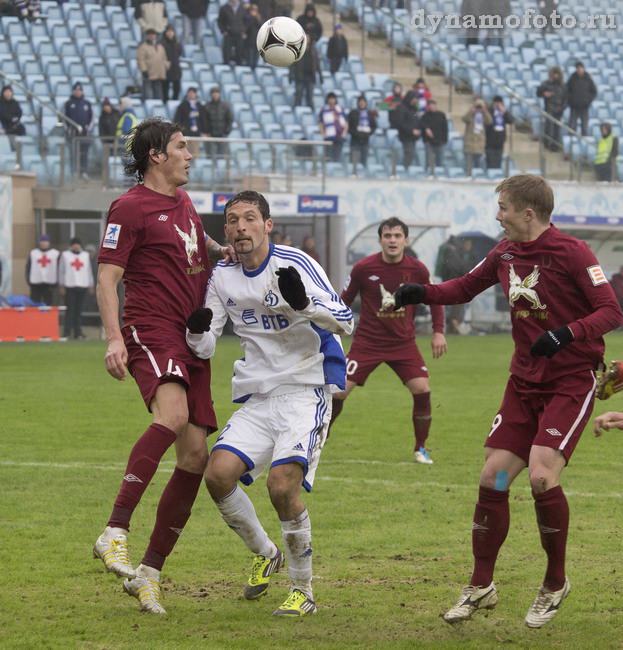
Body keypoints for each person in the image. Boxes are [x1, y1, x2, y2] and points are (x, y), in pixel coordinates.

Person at [393, 174, 623, 628]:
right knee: (494, 478)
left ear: (528, 213)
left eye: (503, 208)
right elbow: (462, 288)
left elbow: (612, 311)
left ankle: (555, 583)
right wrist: (423, 293)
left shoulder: (574, 253)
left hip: (570, 381)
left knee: (540, 477)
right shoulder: (504, 251)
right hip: (523, 383)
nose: (497, 216)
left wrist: (567, 333)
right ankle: (481, 585)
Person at [185, 190, 353, 616]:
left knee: (282, 487)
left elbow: (346, 321)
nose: (240, 227)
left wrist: (303, 303)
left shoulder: (293, 263)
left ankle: (303, 591)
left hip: (306, 389)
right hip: (259, 395)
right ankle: (266, 551)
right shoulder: (222, 276)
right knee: (217, 476)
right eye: (232, 220)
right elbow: (205, 347)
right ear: (226, 230)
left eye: (249, 218)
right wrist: (196, 330)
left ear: (267, 225)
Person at [93, 117, 234, 615]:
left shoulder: (185, 202)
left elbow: (202, 247)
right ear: (156, 154)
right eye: (181, 146)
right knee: (170, 417)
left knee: (194, 457)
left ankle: (149, 572)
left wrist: (230, 248)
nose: (190, 154)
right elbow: (107, 279)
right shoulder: (129, 207)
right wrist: (114, 339)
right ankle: (114, 530)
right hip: (150, 327)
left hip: (192, 338)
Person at [330, 216, 447, 463]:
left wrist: (438, 331)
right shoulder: (363, 268)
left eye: (397, 236)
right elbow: (344, 301)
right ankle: (320, 437)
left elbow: (435, 298)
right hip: (367, 343)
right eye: (387, 236)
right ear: (381, 240)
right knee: (338, 393)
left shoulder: (418, 269)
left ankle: (421, 448)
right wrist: (330, 328)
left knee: (422, 389)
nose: (392, 240)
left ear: (406, 240)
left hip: (403, 344)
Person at [59, 237, 94, 339]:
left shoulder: (85, 255)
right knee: (70, 310)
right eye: (74, 244)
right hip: (69, 286)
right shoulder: (65, 255)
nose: (76, 246)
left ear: (80, 245)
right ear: (71, 245)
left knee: (79, 311)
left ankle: (78, 333)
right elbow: (61, 271)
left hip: (82, 285)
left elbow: (88, 271)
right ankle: (66, 333)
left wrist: (90, 284)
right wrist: (61, 285)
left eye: (77, 244)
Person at [63, 82, 94, 178]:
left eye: (79, 90)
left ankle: (84, 171)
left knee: (84, 154)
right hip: (72, 135)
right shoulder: (68, 103)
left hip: (84, 134)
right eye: (76, 90)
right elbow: (63, 118)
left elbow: (92, 118)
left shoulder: (87, 103)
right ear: (73, 91)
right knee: (74, 153)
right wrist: (68, 130)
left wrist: (88, 129)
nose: (77, 92)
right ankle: (75, 172)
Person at [536, 66, 567, 152]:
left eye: (557, 74)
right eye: (554, 74)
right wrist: (544, 93)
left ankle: (555, 147)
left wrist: (562, 108)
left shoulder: (563, 86)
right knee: (548, 128)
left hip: (559, 110)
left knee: (556, 129)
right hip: (549, 108)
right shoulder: (546, 84)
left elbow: (566, 99)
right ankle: (547, 143)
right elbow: (538, 92)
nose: (555, 76)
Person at [136, 29, 170, 101]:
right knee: (148, 94)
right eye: (150, 35)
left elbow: (164, 58)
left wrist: (166, 67)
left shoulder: (160, 46)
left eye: (153, 35)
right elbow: (140, 59)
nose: (152, 37)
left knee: (158, 94)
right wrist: (144, 70)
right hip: (149, 72)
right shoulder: (143, 47)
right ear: (147, 36)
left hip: (159, 73)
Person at [26, 234, 59, 305]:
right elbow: (28, 267)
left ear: (49, 243)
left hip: (49, 283)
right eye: (42, 241)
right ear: (39, 242)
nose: (44, 243)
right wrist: (28, 280)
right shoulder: (33, 253)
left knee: (48, 304)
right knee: (34, 304)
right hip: (35, 283)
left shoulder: (55, 253)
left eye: (46, 241)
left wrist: (56, 282)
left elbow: (58, 268)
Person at [290, 35, 321, 109]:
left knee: (310, 95)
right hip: (300, 76)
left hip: (310, 76)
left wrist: (320, 75)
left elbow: (317, 63)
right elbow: (292, 63)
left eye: (308, 38)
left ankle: (311, 110)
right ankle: (296, 108)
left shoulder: (314, 50)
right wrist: (291, 75)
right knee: (298, 94)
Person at [566, 61, 597, 137]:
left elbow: (594, 91)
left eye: (581, 68)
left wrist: (588, 100)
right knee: (572, 125)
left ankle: (584, 141)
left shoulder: (588, 79)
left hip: (584, 106)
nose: (580, 69)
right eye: (578, 68)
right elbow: (566, 90)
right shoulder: (572, 78)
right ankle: (571, 140)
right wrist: (570, 100)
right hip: (574, 105)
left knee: (584, 125)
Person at [462, 97, 492, 175]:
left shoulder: (483, 115)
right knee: (468, 164)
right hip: (469, 143)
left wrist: (485, 111)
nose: (478, 108)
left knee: (478, 164)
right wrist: (472, 111)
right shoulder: (471, 115)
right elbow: (464, 119)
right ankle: (467, 175)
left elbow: (490, 121)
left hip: (479, 144)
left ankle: (476, 175)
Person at [174, 87, 206, 155]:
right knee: (185, 151)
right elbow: (178, 118)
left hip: (196, 133)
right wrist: (181, 129)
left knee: (195, 152)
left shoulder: (199, 105)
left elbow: (203, 119)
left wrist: (203, 130)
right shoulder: (182, 105)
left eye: (193, 93)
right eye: (190, 93)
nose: (191, 94)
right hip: (186, 133)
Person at [394, 90, 421, 169]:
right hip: (406, 136)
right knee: (409, 154)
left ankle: (404, 170)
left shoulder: (415, 109)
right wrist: (411, 130)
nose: (415, 100)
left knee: (411, 155)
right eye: (414, 98)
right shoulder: (401, 108)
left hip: (413, 136)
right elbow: (400, 123)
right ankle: (402, 170)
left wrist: (418, 129)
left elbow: (416, 120)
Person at [485, 95, 514, 170]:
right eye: (496, 102)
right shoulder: (489, 110)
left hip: (500, 139)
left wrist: (504, 111)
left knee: (498, 159)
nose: (498, 104)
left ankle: (497, 172)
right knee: (490, 159)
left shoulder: (503, 112)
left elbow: (511, 120)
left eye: (499, 103)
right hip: (490, 138)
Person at [347, 95, 377, 168]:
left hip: (365, 140)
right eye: (360, 102)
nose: (362, 103)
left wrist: (367, 134)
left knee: (364, 159)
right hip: (354, 139)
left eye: (363, 102)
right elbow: (348, 126)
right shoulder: (352, 113)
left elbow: (374, 126)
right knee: (353, 159)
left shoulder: (370, 114)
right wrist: (356, 133)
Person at [203, 86, 233, 157]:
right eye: (213, 93)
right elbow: (204, 120)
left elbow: (230, 119)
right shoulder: (207, 106)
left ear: (219, 94)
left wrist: (226, 132)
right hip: (210, 135)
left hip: (222, 135)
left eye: (216, 93)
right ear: (211, 95)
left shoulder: (225, 106)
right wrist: (206, 132)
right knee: (209, 155)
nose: (215, 95)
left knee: (221, 155)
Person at [318, 92, 348, 163]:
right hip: (329, 136)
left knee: (337, 156)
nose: (331, 100)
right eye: (330, 99)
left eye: (333, 99)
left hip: (339, 136)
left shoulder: (340, 109)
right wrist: (323, 134)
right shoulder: (324, 110)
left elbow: (346, 123)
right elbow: (320, 123)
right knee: (328, 156)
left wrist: (344, 133)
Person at [420, 99, 448, 173]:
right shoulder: (425, 116)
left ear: (436, 106)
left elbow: (445, 129)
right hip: (429, 143)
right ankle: (428, 174)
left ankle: (439, 174)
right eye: (430, 106)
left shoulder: (441, 115)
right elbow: (422, 129)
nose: (431, 107)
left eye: (433, 106)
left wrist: (444, 141)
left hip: (440, 142)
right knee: (428, 161)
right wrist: (425, 140)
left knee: (440, 161)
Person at [218, 0, 246, 66]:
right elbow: (220, 21)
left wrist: (243, 30)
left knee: (239, 51)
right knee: (227, 51)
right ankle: (226, 65)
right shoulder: (224, 8)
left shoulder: (243, 8)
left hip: (239, 33)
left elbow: (246, 21)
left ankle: (239, 66)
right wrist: (223, 30)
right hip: (228, 32)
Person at [161, 24, 184, 102]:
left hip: (176, 67)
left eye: (171, 31)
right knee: (165, 86)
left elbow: (180, 52)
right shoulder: (162, 42)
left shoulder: (177, 42)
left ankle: (175, 100)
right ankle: (165, 101)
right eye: (169, 31)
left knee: (177, 87)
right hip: (165, 67)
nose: (170, 33)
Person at [243, 3, 262, 69]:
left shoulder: (259, 19)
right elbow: (247, 27)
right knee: (249, 54)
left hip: (257, 39)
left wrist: (256, 18)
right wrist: (252, 18)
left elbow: (260, 26)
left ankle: (254, 65)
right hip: (249, 39)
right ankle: (249, 65)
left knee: (255, 56)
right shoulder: (247, 18)